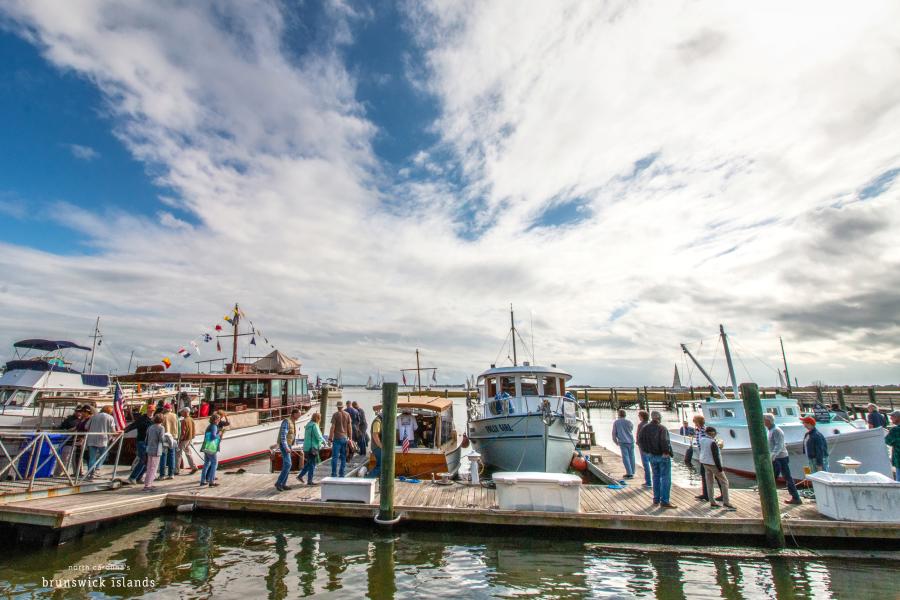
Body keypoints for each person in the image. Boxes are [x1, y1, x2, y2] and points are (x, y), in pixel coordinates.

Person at [637, 411, 676, 508]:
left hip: (651, 455)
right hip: (662, 456)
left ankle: (656, 499)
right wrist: (666, 452)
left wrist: (646, 451)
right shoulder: (662, 428)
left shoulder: (644, 428)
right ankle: (665, 500)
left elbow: (639, 440)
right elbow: (664, 441)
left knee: (655, 477)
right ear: (659, 418)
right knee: (666, 478)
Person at [765, 413, 801, 505]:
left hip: (780, 458)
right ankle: (795, 497)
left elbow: (779, 445)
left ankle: (771, 497)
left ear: (768, 421)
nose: (762, 422)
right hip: (778, 457)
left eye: (763, 420)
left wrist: (773, 456)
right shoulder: (770, 430)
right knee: (783, 477)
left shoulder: (776, 430)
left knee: (775, 477)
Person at [699, 426, 735, 510]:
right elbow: (715, 456)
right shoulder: (712, 442)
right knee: (724, 481)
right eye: (714, 433)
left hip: (704, 462)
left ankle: (712, 501)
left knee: (709, 482)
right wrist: (720, 468)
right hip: (713, 464)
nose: (715, 435)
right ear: (712, 433)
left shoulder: (702, 440)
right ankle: (726, 502)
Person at [85, 405, 117, 479]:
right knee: (104, 455)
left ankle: (91, 473)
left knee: (92, 457)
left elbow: (86, 426)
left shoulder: (93, 416)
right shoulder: (110, 417)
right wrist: (117, 433)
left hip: (91, 439)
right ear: (109, 411)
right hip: (103, 439)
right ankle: (97, 468)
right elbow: (113, 430)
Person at [275, 409, 302, 491]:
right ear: (294, 414)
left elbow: (291, 435)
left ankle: (283, 484)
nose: (300, 416)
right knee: (288, 464)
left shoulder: (292, 422)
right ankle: (279, 483)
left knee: (287, 464)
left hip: (289, 445)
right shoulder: (286, 421)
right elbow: (283, 436)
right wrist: (286, 447)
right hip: (284, 446)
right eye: (298, 414)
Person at [125, 410, 153, 484]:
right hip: (141, 441)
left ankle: (138, 477)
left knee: (147, 461)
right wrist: (124, 430)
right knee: (143, 460)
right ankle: (132, 477)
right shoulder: (142, 419)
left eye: (153, 411)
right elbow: (133, 425)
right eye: (150, 411)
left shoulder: (153, 420)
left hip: (148, 443)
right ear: (147, 411)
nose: (151, 412)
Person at [298, 412, 325, 485]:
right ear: (318, 418)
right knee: (312, 464)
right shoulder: (314, 425)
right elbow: (318, 436)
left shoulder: (308, 425)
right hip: (312, 448)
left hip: (306, 447)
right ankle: (309, 481)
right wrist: (324, 442)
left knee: (309, 463)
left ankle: (300, 476)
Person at [329, 401, 351, 477]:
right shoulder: (347, 414)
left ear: (337, 407)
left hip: (337, 438)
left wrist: (330, 438)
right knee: (343, 456)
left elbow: (332, 428)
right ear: (342, 406)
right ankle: (342, 473)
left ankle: (334, 473)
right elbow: (349, 427)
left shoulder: (335, 415)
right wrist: (350, 438)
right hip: (345, 438)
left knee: (334, 457)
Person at [143, 414, 165, 492]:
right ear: (162, 420)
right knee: (153, 468)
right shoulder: (161, 428)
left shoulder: (150, 427)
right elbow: (162, 439)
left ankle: (148, 483)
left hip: (149, 449)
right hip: (156, 450)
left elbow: (146, 438)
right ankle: (148, 485)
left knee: (149, 467)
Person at [611, 409, 635, 479]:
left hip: (622, 442)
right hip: (631, 441)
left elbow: (614, 433)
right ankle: (632, 471)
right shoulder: (629, 422)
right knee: (632, 457)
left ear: (619, 414)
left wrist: (615, 441)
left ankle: (629, 473)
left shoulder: (616, 422)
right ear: (625, 415)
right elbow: (631, 429)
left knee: (625, 457)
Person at [159, 403, 180, 480]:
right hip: (174, 437)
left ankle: (162, 475)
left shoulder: (163, 416)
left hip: (165, 437)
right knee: (172, 455)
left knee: (163, 456)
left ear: (165, 409)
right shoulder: (175, 416)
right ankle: (171, 474)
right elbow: (179, 426)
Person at [200, 414, 222, 487]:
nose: (219, 421)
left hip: (206, 447)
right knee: (214, 463)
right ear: (215, 420)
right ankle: (211, 481)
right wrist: (219, 434)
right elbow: (213, 437)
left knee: (206, 464)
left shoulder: (209, 426)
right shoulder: (214, 427)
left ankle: (203, 481)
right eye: (218, 419)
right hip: (211, 448)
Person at [177, 407, 198, 475]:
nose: (181, 413)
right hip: (189, 439)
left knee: (178, 454)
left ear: (185, 412)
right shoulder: (191, 419)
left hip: (184, 439)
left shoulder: (184, 421)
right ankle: (194, 467)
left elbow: (183, 432)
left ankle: (176, 470)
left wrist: (180, 440)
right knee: (188, 453)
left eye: (182, 412)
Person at [635, 410, 652, 488]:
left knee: (646, 464)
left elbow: (638, 436)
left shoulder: (641, 425)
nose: (638, 417)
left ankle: (648, 482)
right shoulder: (650, 424)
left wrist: (638, 443)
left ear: (642, 417)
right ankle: (654, 481)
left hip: (643, 447)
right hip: (651, 447)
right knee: (652, 464)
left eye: (639, 416)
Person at [885, 410, 900, 482]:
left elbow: (887, 441)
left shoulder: (895, 430)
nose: (890, 418)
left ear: (898, 418)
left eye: (892, 416)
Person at [369, 410, 383, 478]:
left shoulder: (380, 421)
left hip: (378, 447)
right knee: (381, 465)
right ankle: (368, 479)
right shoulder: (377, 422)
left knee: (380, 465)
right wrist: (381, 446)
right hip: (377, 447)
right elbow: (375, 435)